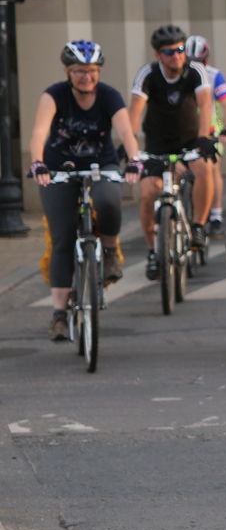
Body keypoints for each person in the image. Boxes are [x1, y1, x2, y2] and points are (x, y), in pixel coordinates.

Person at [28, 41, 142, 340]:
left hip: (99, 164)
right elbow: (40, 131)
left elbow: (126, 131)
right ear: (68, 72)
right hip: (59, 168)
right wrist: (38, 163)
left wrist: (134, 160)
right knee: (63, 237)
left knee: (109, 202)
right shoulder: (54, 95)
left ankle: (109, 250)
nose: (86, 77)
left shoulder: (108, 95)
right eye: (79, 71)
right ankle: (59, 315)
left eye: (92, 71)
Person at [129, 25, 216, 280]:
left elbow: (205, 104)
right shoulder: (148, 74)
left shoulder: (195, 71)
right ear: (158, 55)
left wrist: (204, 138)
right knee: (147, 194)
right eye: (169, 52)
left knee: (205, 169)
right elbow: (135, 109)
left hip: (189, 140)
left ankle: (198, 226)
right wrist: (130, 143)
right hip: (157, 144)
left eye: (180, 50)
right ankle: (153, 251)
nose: (176, 56)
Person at [185, 35, 226, 237]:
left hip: (211, 129)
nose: (195, 67)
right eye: (191, 63)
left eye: (199, 62)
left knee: (211, 169)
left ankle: (215, 215)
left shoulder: (214, 75)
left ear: (207, 60)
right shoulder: (180, 75)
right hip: (186, 130)